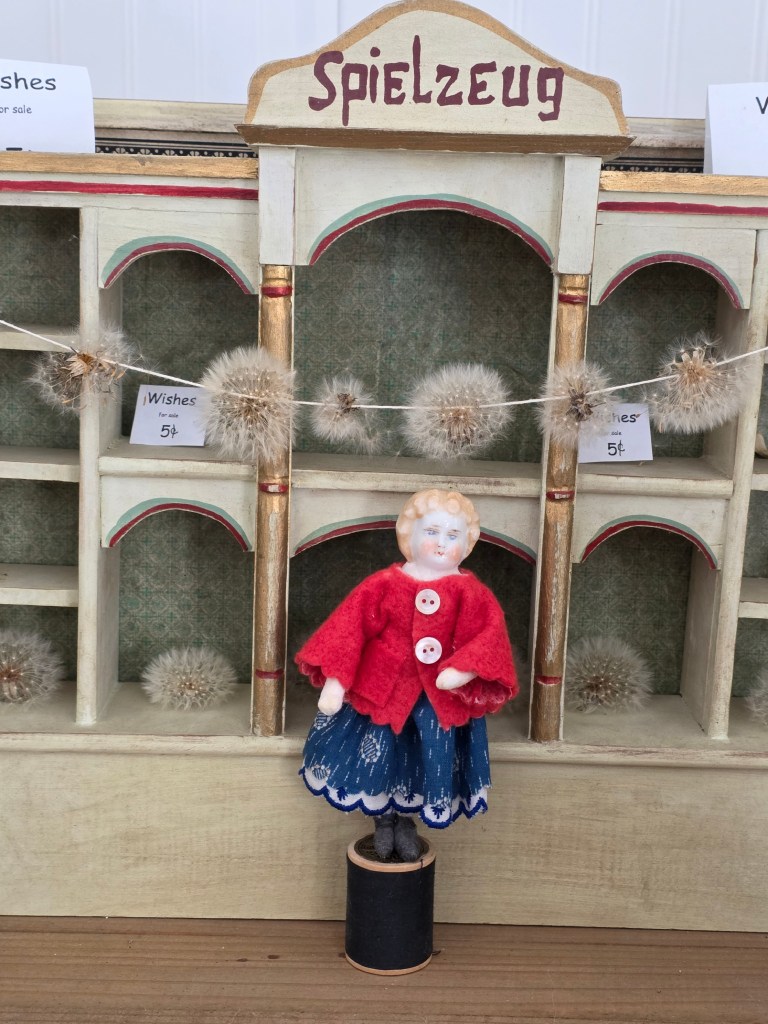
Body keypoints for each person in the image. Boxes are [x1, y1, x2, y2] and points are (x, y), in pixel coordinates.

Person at [295, 488, 518, 861]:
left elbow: (488, 635)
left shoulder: (472, 592)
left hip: (437, 700)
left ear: (467, 543)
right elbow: (349, 629)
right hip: (381, 691)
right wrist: (336, 682)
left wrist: (463, 669)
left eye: (453, 535)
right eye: (431, 532)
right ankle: (383, 819)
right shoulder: (383, 584)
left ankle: (407, 821)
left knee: (424, 756)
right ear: (408, 535)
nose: (442, 543)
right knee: (380, 755)